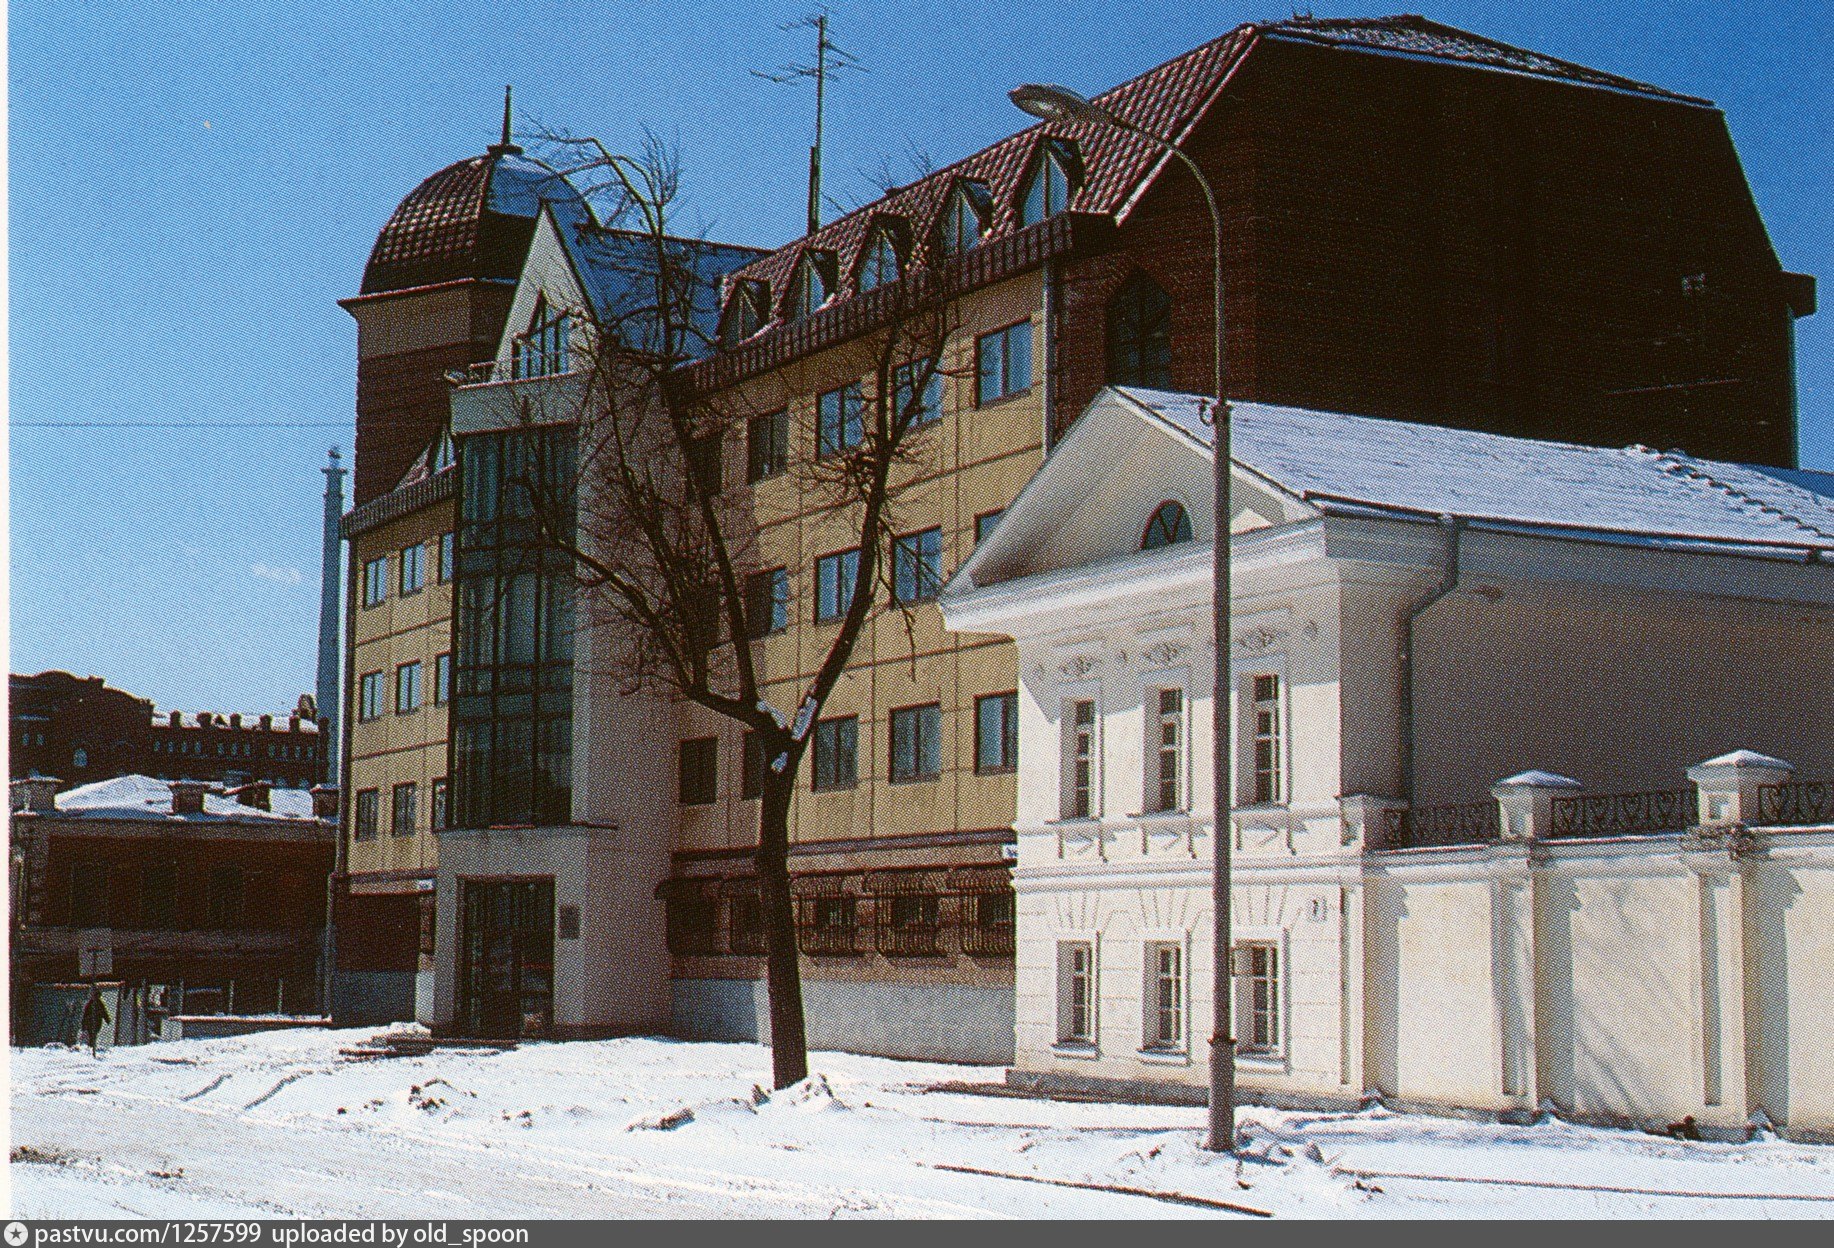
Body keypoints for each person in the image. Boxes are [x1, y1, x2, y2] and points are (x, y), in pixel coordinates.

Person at [79, 986, 110, 1057]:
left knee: (94, 1034)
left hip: (97, 1021)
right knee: (91, 1035)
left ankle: (92, 1048)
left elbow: (104, 1012)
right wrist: (83, 1024)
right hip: (90, 1022)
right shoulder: (90, 1003)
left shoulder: (100, 1003)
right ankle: (91, 1048)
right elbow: (85, 1014)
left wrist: (107, 1019)